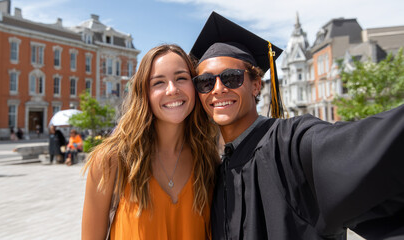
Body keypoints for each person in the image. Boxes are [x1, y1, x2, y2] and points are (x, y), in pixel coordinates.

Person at [190, 12, 404, 240]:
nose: (218, 88)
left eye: (231, 77)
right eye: (205, 82)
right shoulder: (217, 172)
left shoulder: (290, 145)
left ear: (256, 86)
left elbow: (376, 145)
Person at [81, 44, 219, 240]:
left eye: (181, 78)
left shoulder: (208, 159)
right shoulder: (112, 160)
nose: (172, 90)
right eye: (158, 83)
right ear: (143, 93)